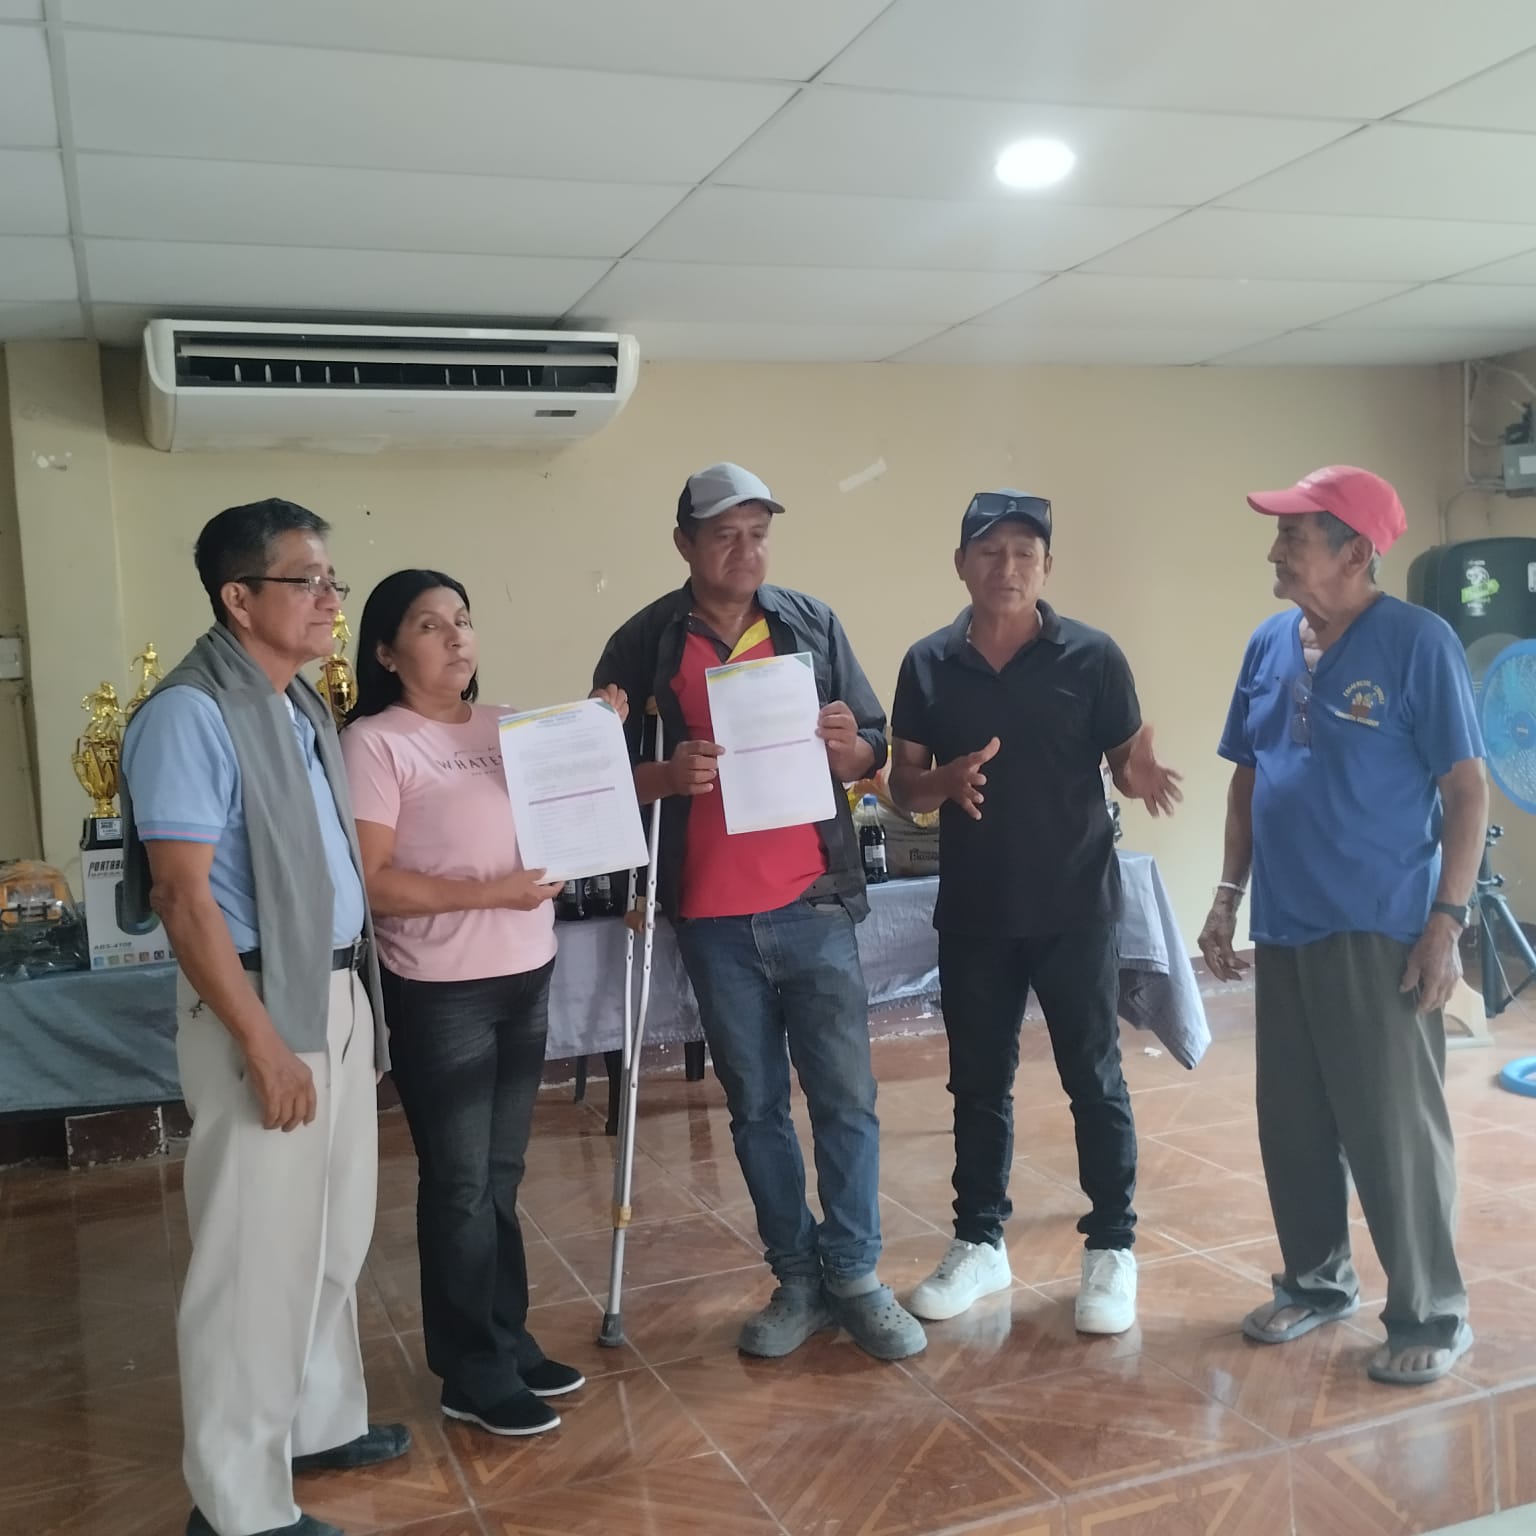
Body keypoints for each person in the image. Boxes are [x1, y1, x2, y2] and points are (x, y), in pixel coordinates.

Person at [591, 462, 925, 1361]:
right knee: (757, 1109)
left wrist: (854, 750)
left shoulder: (811, 623)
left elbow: (873, 746)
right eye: (724, 535)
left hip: (813, 902)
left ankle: (855, 1275)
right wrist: (665, 775)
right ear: (684, 544)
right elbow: (594, 773)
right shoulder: (643, 642)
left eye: (758, 534)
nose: (745, 551)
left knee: (847, 1100)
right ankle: (797, 1279)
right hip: (712, 919)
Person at [120, 499, 408, 1536]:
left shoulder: (296, 708)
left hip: (334, 991)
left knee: (331, 1235)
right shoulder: (191, 713)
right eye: (307, 581)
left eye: (333, 580)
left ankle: (314, 1424)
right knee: (253, 1263)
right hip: (259, 1004)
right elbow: (182, 897)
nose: (331, 600)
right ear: (239, 598)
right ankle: (238, 1505)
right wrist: (262, 1043)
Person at [1197, 465, 1486, 1386]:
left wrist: (1447, 922)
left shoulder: (1418, 643)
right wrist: (1227, 895)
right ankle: (1317, 1283)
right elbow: (1248, 778)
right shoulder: (1268, 644)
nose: (1275, 551)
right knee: (1292, 1119)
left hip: (1381, 927)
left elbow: (1466, 790)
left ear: (1355, 552)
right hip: (1286, 921)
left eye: (1294, 536)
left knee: (1392, 1128)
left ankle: (1432, 1314)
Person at [889, 491, 1181, 1334]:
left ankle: (1112, 1248)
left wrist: (1139, 773)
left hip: (1075, 907)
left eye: (1025, 553)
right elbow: (903, 786)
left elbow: (1125, 761)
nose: (1007, 567)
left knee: (1094, 1077)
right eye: (990, 551)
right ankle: (979, 1243)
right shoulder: (927, 663)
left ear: (1047, 567)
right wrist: (940, 783)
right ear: (961, 564)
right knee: (978, 1084)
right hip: (975, 910)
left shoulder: (1093, 656)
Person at [340, 571, 620, 1437]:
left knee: (501, 1175)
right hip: (441, 991)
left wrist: (593, 737)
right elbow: (372, 883)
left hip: (525, 973)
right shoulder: (376, 743)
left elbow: (574, 813)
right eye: (430, 625)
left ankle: (506, 1339)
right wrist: (491, 893)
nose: (456, 636)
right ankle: (468, 1369)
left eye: (463, 619)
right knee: (459, 1184)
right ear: (388, 652)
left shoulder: (510, 726)